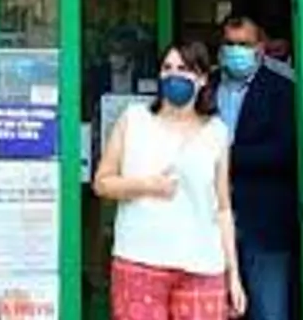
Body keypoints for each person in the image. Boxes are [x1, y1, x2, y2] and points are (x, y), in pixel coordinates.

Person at [93, 40, 247, 320]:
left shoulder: (216, 132)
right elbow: (103, 182)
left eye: (184, 69)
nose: (174, 75)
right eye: (167, 68)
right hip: (140, 261)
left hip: (203, 266)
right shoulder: (134, 119)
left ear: (202, 78)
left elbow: (222, 208)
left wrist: (233, 275)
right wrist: (147, 186)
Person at [217, 14, 298, 320]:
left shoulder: (282, 91)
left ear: (260, 48)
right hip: (210, 220)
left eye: (244, 44)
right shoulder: (207, 87)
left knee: (268, 310)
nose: (236, 51)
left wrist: (227, 156)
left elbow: (285, 152)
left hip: (264, 223)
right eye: (230, 43)